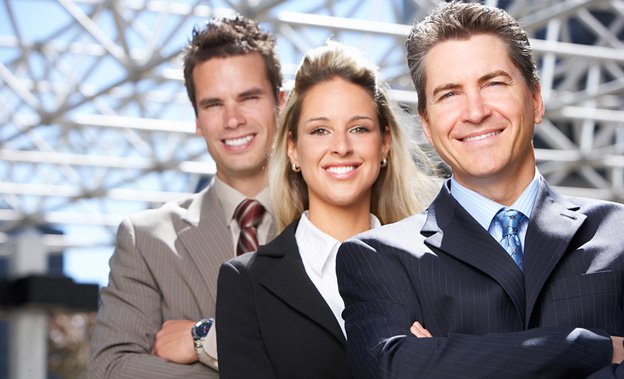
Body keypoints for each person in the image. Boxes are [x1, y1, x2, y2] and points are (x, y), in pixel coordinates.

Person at [336, 2, 624, 378]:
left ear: (535, 100)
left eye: (493, 83)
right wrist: (591, 346)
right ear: (425, 121)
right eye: (449, 94)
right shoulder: (378, 259)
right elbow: (393, 370)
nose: (474, 111)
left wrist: (445, 358)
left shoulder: (617, 233)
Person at [215, 41, 440, 379]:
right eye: (320, 130)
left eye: (359, 128)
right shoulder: (245, 283)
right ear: (293, 149)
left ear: (385, 143)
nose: (341, 147)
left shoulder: (437, 266)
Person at [87, 15, 283, 378]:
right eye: (213, 105)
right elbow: (110, 367)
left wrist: (205, 340)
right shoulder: (146, 239)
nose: (233, 119)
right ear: (197, 119)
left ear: (280, 103)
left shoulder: (328, 219)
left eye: (249, 97)